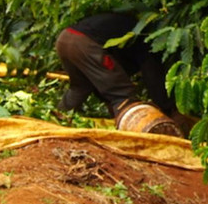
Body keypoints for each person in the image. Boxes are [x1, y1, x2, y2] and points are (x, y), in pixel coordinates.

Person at [56, 11, 193, 135]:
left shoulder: (129, 28)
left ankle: (59, 117)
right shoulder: (146, 40)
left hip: (65, 39)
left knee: (80, 87)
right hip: (84, 43)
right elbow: (153, 74)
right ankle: (138, 133)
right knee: (122, 94)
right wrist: (168, 108)